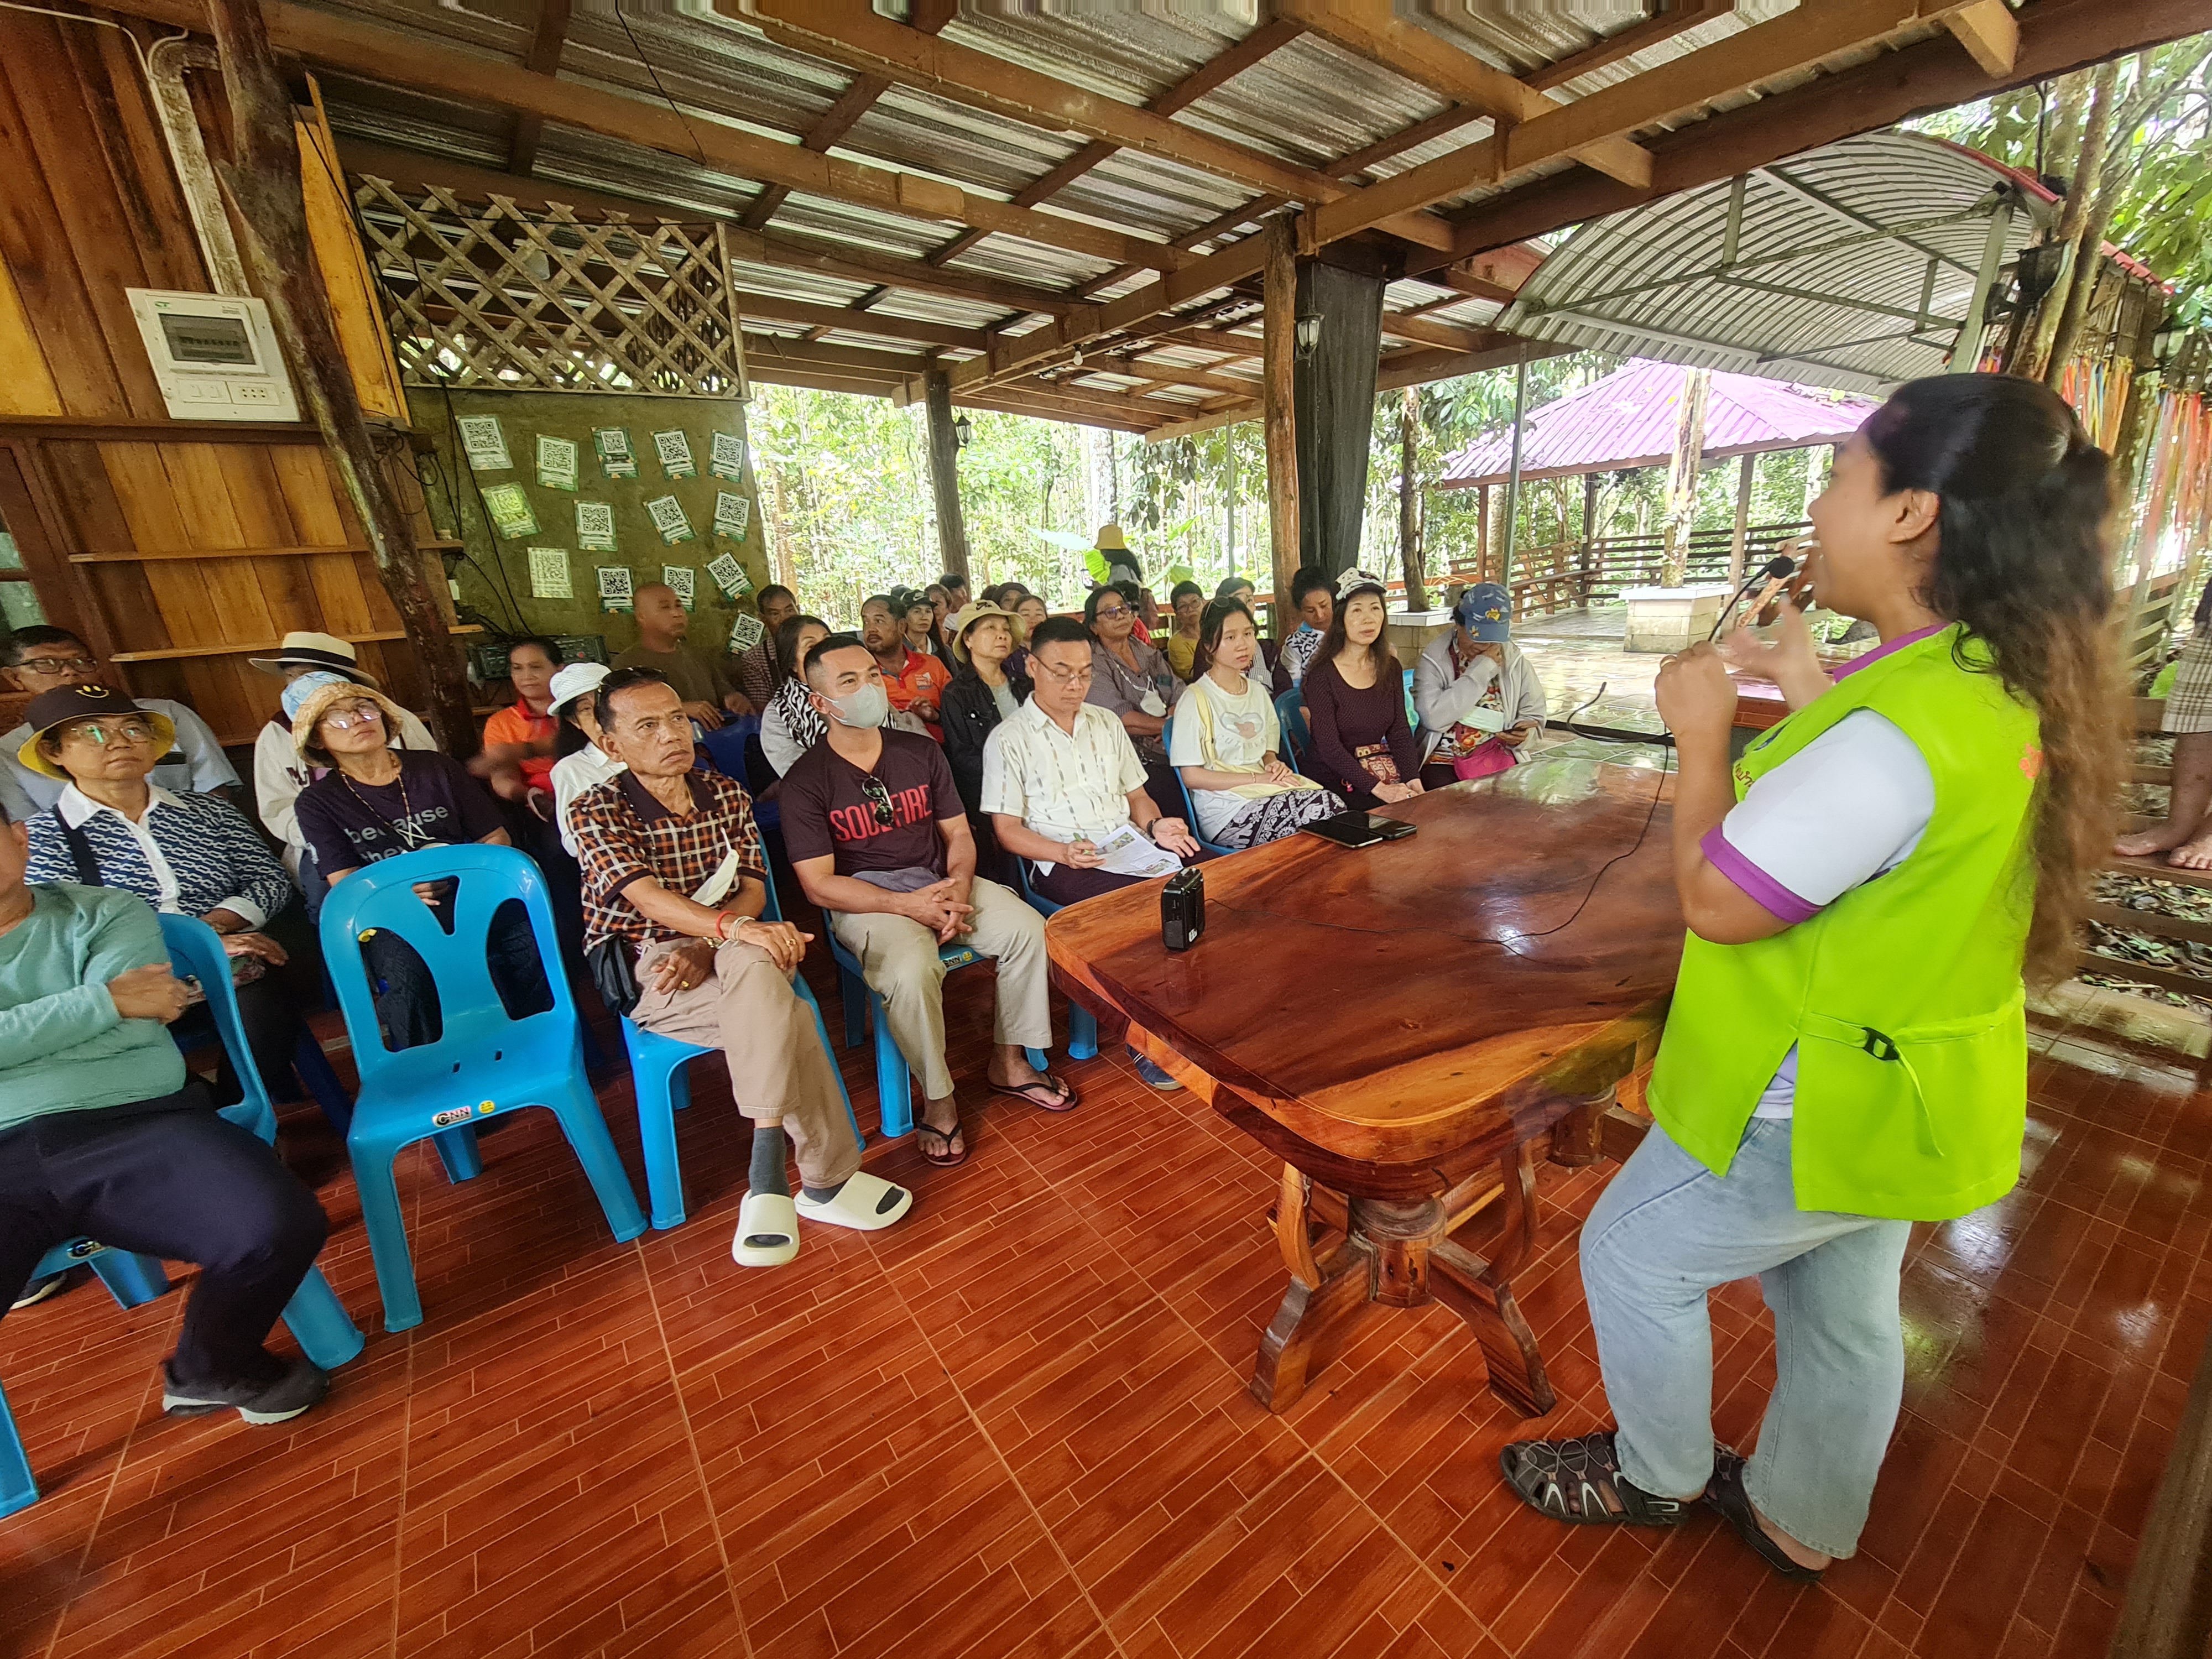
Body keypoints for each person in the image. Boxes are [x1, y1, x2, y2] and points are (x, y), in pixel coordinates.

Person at [1496, 374, 2120, 1585]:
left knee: (1629, 1257)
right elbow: (1883, 799)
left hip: (1811, 1093)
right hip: (1909, 1086)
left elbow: (1721, 901)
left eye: (1838, 475)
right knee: (1839, 1313)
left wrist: (1697, 738)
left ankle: (1654, 1473)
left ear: (1908, 514)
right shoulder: (1972, 679)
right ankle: (1798, 1517)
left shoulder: (1901, 730)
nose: (1817, 505)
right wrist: (1797, 672)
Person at [0, 799, 332, 1422]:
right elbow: (118, 1013)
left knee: (275, 1223)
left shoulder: (104, 912)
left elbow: (139, 1022)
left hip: (133, 1121)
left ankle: (211, 1366)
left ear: (20, 839)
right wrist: (103, 1002)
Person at [570, 668, 912, 1265]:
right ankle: (824, 1181)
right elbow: (646, 899)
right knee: (793, 1017)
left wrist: (718, 940)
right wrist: (731, 933)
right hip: (650, 963)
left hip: (724, 949)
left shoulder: (723, 793)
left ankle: (770, 1174)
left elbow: (752, 886)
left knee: (758, 969)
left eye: (676, 717)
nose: (670, 734)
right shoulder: (596, 809)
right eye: (646, 725)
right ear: (610, 745)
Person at [782, 635, 1073, 1169]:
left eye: (872, 675)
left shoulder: (919, 752)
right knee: (912, 968)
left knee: (1028, 930)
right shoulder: (805, 782)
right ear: (820, 701)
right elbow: (818, 886)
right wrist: (907, 907)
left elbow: (960, 836)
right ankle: (938, 1097)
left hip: (940, 882)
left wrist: (959, 889)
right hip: (868, 900)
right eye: (849, 682)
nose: (869, 688)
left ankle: (1009, 1061)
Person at [16, 685, 312, 1111]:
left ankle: (239, 1120)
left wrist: (212, 931)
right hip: (124, 975)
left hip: (236, 960)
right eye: (93, 733)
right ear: (54, 752)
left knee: (264, 993)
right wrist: (190, 944)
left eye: (133, 729)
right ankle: (202, 1117)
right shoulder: (43, 839)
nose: (119, 742)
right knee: (113, 1036)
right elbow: (65, 929)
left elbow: (268, 880)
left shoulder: (209, 813)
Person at [982, 618, 1200, 1091]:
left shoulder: (1105, 722)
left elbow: (1138, 797)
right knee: (1139, 913)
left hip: (1127, 847)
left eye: (1084, 672)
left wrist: (1154, 824)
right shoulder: (1009, 739)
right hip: (1061, 860)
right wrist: (1061, 851)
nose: (1076, 684)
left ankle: (1196, 1015)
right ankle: (1148, 1039)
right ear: (1032, 667)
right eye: (1062, 672)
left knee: (1201, 888)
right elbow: (1007, 832)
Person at [290, 679, 550, 1051]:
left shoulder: (436, 769)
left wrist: (455, 876)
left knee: (528, 941)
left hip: (468, 895)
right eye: (339, 718)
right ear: (318, 740)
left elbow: (496, 839)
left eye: (365, 709)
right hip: (390, 913)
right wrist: (402, 892)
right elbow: (344, 880)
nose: (359, 720)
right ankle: (429, 1069)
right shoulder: (317, 802)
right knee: (406, 976)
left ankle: (538, 1043)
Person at [248, 632, 438, 894]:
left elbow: (431, 783)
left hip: (416, 830)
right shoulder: (276, 733)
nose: (294, 686)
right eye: (289, 677)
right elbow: (277, 806)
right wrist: (329, 838)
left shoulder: (392, 720)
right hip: (318, 843)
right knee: (324, 892)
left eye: (305, 677)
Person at [0, 627, 239, 821]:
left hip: (192, 838)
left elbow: (215, 788)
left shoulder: (166, 713)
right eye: (47, 664)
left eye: (81, 662)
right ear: (14, 678)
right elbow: (26, 829)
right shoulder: (8, 753)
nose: (69, 673)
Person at [1170, 599, 1343, 848]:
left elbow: (1267, 755)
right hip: (1225, 811)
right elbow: (1192, 776)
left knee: (1333, 811)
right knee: (1321, 813)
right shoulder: (1195, 698)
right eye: (1230, 637)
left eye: (1248, 634)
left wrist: (1274, 767)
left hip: (1267, 792)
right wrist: (1256, 779)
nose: (1242, 644)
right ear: (1209, 645)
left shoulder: (1258, 692)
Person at [1302, 570, 1422, 809]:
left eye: (1375, 609)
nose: (1368, 619)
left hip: (1376, 766)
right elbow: (1329, 748)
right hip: (1334, 780)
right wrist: (1381, 790)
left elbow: (1399, 731)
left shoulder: (1390, 668)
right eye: (1357, 610)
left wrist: (1413, 780)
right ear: (1341, 618)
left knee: (1423, 807)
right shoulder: (1321, 676)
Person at [1413, 582, 1548, 788]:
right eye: (1477, 637)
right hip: (1444, 757)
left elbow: (1535, 715)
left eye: (1491, 640)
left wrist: (1523, 737)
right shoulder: (1434, 658)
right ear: (1459, 624)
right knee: (1451, 802)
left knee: (1511, 806)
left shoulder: (1513, 660)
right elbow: (1433, 719)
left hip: (1498, 755)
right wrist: (1482, 669)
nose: (1484, 646)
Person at [1083, 582, 1179, 812]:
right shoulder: (1094, 663)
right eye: (1110, 612)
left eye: (1123, 608)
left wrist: (1174, 721)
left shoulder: (1145, 650)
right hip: (1138, 758)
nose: (1120, 616)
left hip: (1174, 741)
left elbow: (1177, 689)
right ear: (1094, 627)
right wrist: (1168, 728)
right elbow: (1121, 718)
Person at [939, 601, 1032, 825]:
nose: (1002, 635)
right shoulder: (956, 694)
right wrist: (1014, 773)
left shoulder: (1025, 685)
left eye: (1006, 629)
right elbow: (962, 756)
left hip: (1038, 786)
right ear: (968, 640)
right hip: (992, 797)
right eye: (990, 628)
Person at [613, 582, 751, 728]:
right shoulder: (626, 664)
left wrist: (734, 699)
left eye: (679, 606)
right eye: (665, 608)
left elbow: (724, 692)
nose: (677, 613)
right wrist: (679, 709)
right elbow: (625, 714)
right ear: (641, 617)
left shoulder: (698, 654)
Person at [547, 662, 623, 860]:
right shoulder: (570, 769)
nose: (599, 715)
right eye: (586, 709)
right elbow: (573, 843)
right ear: (574, 721)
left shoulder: (650, 751)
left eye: (604, 704)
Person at [476, 636, 563, 807]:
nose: (527, 676)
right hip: (538, 804)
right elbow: (503, 775)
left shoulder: (580, 709)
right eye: (518, 668)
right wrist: (529, 796)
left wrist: (522, 750)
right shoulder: (501, 722)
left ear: (560, 669)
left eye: (536, 667)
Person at [860, 593, 949, 737]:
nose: (871, 629)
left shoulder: (932, 665)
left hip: (938, 750)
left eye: (879, 621)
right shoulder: (859, 672)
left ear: (901, 626)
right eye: (866, 622)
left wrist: (934, 715)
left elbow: (957, 715)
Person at [760, 613, 832, 779]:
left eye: (828, 643)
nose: (825, 652)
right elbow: (801, 777)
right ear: (793, 663)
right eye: (811, 648)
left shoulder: (861, 689)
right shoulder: (778, 714)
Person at [727, 585, 799, 713]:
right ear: (763, 619)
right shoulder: (754, 659)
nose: (784, 619)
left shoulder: (817, 644)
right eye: (775, 614)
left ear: (798, 610)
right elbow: (763, 710)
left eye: (789, 610)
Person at [1214, 576, 1280, 693]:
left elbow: (1284, 691)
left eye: (1249, 600)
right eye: (1237, 601)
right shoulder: (1212, 645)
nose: (1244, 607)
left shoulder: (1268, 649)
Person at [1280, 568, 1335, 688]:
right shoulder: (1295, 645)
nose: (1319, 615)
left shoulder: (1349, 630)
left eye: (1324, 606)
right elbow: (1295, 688)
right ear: (1300, 611)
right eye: (1310, 611)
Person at [1162, 580, 1206, 682]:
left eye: (1195, 602)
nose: (1190, 610)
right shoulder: (1177, 643)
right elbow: (1196, 676)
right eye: (1183, 606)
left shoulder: (1217, 631)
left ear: (1204, 602)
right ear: (1177, 613)